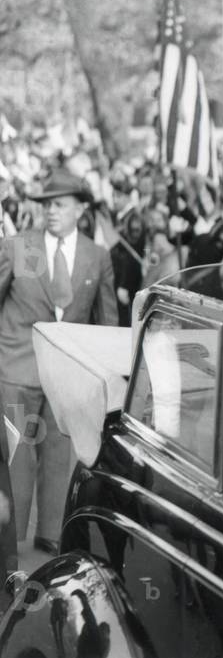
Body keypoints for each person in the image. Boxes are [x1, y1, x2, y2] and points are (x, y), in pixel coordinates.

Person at [0, 168, 117, 555]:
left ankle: (51, 532)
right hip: (16, 368)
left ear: (80, 210)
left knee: (59, 453)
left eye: (60, 205)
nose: (51, 211)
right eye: (47, 204)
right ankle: (10, 537)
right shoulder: (18, 247)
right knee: (17, 455)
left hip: (66, 373)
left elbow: (107, 322)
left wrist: (106, 378)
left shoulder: (97, 257)